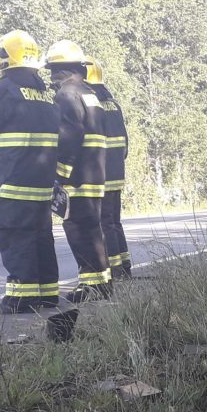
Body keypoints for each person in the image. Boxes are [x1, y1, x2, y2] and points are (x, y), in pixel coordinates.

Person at [0, 30, 61, 314]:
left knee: (16, 236)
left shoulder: (5, 89)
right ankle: (47, 293)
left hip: (12, 179)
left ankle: (21, 297)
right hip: (40, 182)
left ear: (5, 56)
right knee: (41, 236)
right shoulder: (44, 94)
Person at [44, 40, 112, 303]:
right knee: (93, 229)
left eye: (53, 70)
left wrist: (60, 174)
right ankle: (102, 282)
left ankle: (91, 285)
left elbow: (69, 137)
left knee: (78, 229)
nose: (51, 77)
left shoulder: (66, 95)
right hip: (95, 172)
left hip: (78, 177)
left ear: (62, 70)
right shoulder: (90, 93)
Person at [86, 63, 132, 278]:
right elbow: (125, 143)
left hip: (101, 174)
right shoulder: (113, 104)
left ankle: (115, 269)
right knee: (114, 221)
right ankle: (124, 264)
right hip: (116, 172)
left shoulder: (92, 103)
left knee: (105, 223)